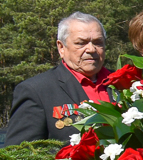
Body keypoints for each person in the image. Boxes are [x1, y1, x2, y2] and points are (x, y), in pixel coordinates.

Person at [5, 12, 110, 146]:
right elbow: (21, 155)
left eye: (98, 42)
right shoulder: (37, 90)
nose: (91, 49)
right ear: (61, 48)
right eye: (81, 43)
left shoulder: (123, 83)